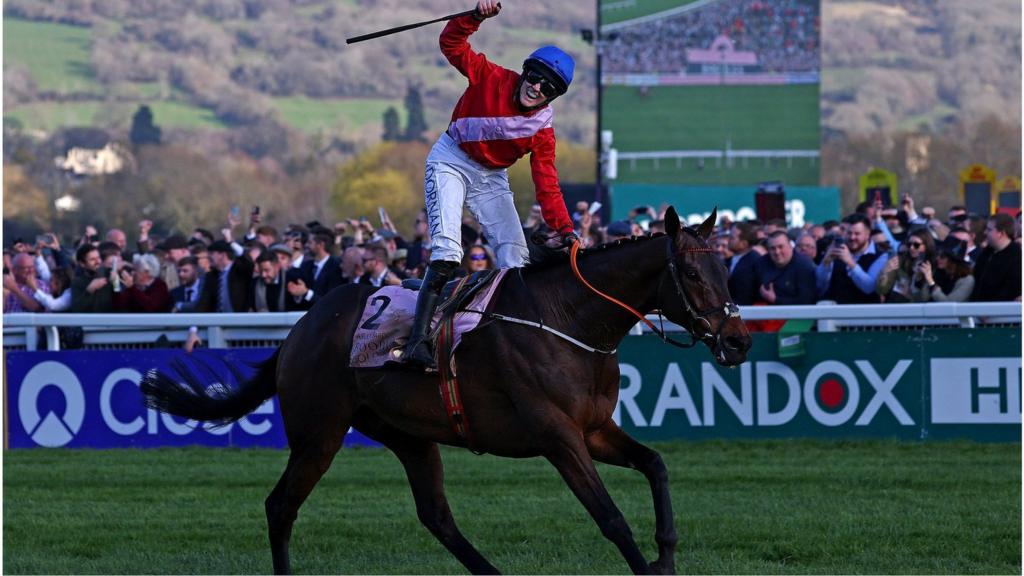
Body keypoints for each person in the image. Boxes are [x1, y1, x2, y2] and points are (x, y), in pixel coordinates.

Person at [402, 0, 577, 368]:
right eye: (535, 77)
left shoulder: (542, 130)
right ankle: (417, 341)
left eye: (548, 87)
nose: (537, 88)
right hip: (450, 159)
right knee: (449, 252)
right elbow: (451, 45)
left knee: (517, 259)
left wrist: (565, 228)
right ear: (526, 72)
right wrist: (475, 16)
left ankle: (507, 341)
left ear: (554, 95)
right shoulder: (490, 75)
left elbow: (547, 183)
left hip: (490, 178)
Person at [816, 213, 888, 303]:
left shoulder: (881, 256)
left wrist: (850, 262)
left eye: (857, 234)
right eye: (849, 233)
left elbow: (869, 288)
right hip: (837, 312)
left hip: (866, 312)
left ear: (868, 234)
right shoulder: (838, 250)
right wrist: (826, 262)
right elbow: (819, 285)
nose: (852, 237)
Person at [970, 213, 1022, 301]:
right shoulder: (986, 253)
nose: (985, 232)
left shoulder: (1017, 258)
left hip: (999, 311)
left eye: (989, 230)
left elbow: (1011, 290)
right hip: (977, 309)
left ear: (1001, 233)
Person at [755, 231, 817, 305]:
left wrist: (775, 300)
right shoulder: (761, 263)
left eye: (781, 247)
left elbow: (807, 301)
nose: (777, 252)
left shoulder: (804, 266)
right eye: (772, 248)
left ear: (790, 246)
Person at [289, 229, 345, 309]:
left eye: (310, 242)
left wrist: (306, 293)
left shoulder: (336, 267)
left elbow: (332, 300)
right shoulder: (305, 266)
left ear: (320, 245)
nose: (306, 245)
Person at [195, 240, 255, 313]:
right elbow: (204, 302)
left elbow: (248, 261)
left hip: (240, 320)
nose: (208, 257)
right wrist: (195, 322)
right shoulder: (211, 276)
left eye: (212, 253)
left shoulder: (239, 271)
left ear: (222, 255)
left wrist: (231, 243)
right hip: (218, 321)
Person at [876, 228, 934, 303]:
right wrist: (884, 272)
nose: (911, 248)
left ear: (926, 245)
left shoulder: (934, 264)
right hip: (899, 306)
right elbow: (881, 290)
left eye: (916, 245)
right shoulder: (900, 261)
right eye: (909, 244)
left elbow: (927, 297)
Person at [920, 237, 974, 302]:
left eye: (942, 256)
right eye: (937, 254)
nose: (938, 258)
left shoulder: (967, 280)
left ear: (952, 260)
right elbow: (924, 299)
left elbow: (949, 304)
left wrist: (931, 283)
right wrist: (923, 278)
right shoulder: (939, 273)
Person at [70, 244, 115, 313]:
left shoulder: (109, 274)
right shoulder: (77, 282)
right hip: (88, 322)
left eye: (98, 258)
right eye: (92, 259)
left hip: (109, 321)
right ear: (82, 263)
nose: (98, 262)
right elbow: (77, 309)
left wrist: (116, 283)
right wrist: (89, 290)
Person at [726, 222, 760, 306]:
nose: (728, 240)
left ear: (744, 243)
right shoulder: (728, 260)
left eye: (732, 238)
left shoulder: (755, 261)